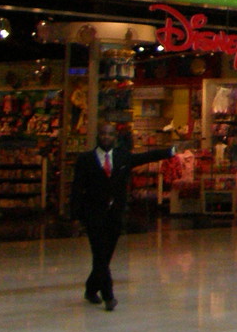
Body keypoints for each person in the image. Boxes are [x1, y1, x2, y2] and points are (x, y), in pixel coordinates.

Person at [70, 122, 180, 310]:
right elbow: (76, 189)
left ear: (115, 138)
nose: (106, 137)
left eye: (110, 134)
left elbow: (146, 157)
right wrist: (74, 217)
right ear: (98, 136)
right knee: (100, 254)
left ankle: (90, 289)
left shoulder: (122, 157)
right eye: (103, 134)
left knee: (105, 256)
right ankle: (108, 296)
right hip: (93, 214)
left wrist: (169, 151)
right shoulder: (85, 160)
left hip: (114, 215)